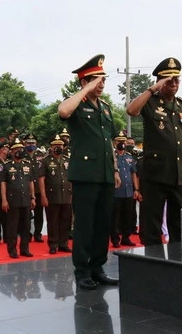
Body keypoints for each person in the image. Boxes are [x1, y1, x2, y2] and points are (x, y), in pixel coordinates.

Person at [57, 54, 120, 290]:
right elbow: (63, 112)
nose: (101, 84)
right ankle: (82, 270)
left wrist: (114, 168)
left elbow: (109, 141)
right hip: (85, 174)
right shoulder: (75, 103)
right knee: (85, 224)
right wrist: (87, 89)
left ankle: (97, 267)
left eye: (103, 80)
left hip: (104, 173)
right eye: (96, 80)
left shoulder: (105, 108)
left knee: (103, 222)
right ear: (84, 82)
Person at [126, 57, 182, 245]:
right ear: (160, 82)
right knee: (152, 225)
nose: (173, 84)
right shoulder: (150, 102)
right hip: (155, 174)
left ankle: (178, 265)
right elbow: (131, 111)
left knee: (178, 224)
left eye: (176, 80)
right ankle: (153, 267)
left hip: (178, 174)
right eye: (168, 80)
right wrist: (152, 89)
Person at [1, 139, 35, 258]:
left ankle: (24, 249)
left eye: (20, 149)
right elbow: (3, 183)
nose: (18, 152)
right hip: (13, 200)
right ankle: (12, 250)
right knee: (12, 226)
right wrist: (4, 200)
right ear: (11, 151)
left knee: (26, 226)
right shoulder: (7, 166)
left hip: (26, 199)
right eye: (16, 150)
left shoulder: (27, 165)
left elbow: (31, 182)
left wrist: (33, 197)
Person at [39, 135, 73, 254]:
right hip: (52, 196)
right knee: (53, 221)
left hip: (66, 195)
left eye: (60, 145)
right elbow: (41, 179)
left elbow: (71, 178)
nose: (58, 147)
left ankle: (63, 244)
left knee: (66, 220)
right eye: (55, 145)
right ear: (51, 147)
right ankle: (53, 244)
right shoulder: (45, 161)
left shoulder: (67, 160)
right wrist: (43, 196)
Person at [111, 131, 140, 247]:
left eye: (123, 141)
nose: (121, 143)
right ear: (115, 142)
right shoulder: (112, 157)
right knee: (115, 217)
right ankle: (115, 239)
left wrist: (136, 189)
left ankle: (126, 237)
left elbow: (134, 173)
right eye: (119, 141)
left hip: (128, 191)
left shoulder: (129, 157)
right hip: (115, 191)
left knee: (128, 216)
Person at [23, 133, 45, 243]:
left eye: (33, 143)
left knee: (39, 214)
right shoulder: (21, 155)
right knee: (26, 214)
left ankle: (38, 233)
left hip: (38, 189)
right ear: (24, 143)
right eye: (29, 143)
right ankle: (27, 233)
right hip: (26, 190)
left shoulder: (41, 154)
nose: (31, 145)